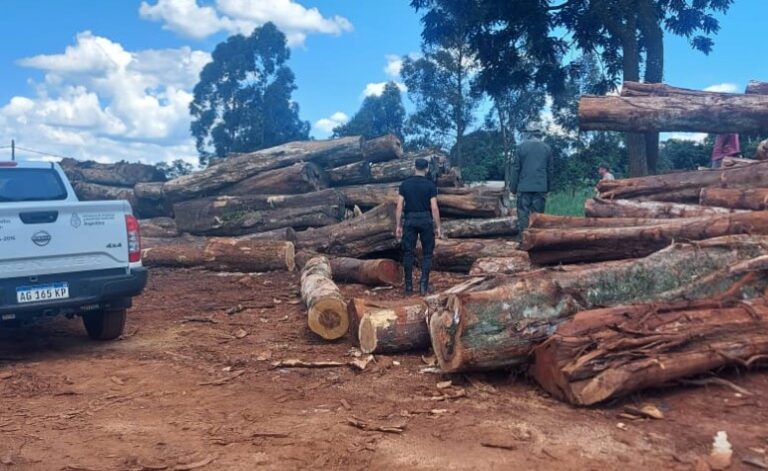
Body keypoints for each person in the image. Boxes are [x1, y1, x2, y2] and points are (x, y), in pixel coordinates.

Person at [395, 158, 442, 295]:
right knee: (427, 253)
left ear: (414, 167)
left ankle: (408, 287)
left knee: (408, 253)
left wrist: (398, 225)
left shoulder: (405, 185)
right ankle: (423, 286)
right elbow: (434, 208)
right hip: (425, 219)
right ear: (426, 169)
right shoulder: (430, 185)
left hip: (410, 219)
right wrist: (438, 226)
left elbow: (399, 207)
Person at [508, 124, 554, 235]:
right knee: (537, 215)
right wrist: (548, 188)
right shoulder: (547, 148)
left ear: (529, 134)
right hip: (540, 187)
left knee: (523, 214)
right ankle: (536, 238)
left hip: (524, 187)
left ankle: (524, 238)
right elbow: (550, 170)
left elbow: (516, 169)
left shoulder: (521, 148)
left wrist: (513, 188)